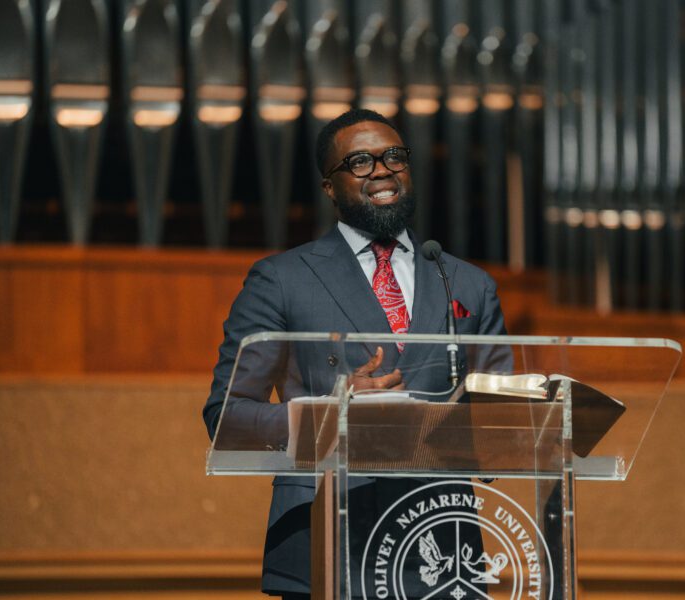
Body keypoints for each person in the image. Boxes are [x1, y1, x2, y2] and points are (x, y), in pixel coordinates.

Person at [202, 108, 508, 598]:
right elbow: (227, 417)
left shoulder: (469, 283)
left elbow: (502, 423)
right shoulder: (281, 279)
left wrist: (537, 409)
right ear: (329, 186)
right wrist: (329, 415)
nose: (382, 170)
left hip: (440, 548)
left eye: (393, 157)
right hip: (325, 541)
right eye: (360, 162)